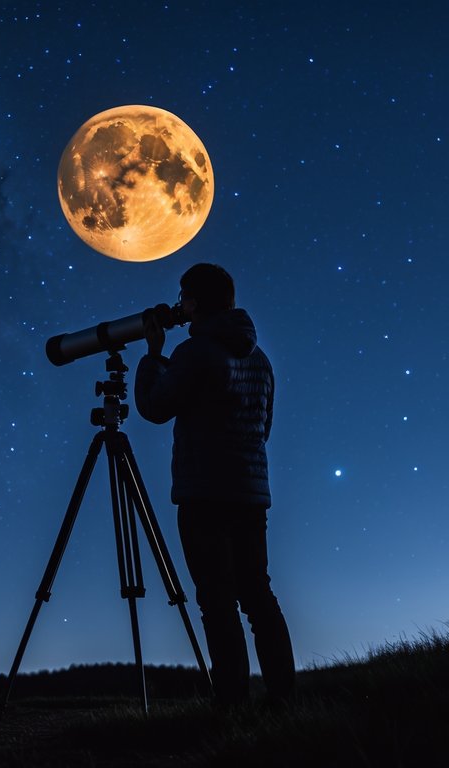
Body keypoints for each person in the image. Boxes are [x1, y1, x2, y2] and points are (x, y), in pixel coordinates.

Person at [135, 263, 296, 709]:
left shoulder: (195, 352)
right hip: (250, 492)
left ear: (198, 301)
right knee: (257, 596)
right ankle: (284, 698)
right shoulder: (260, 359)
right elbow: (262, 428)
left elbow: (154, 406)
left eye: (184, 296)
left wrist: (152, 355)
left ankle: (231, 703)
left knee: (217, 602)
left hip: (204, 492)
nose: (180, 305)